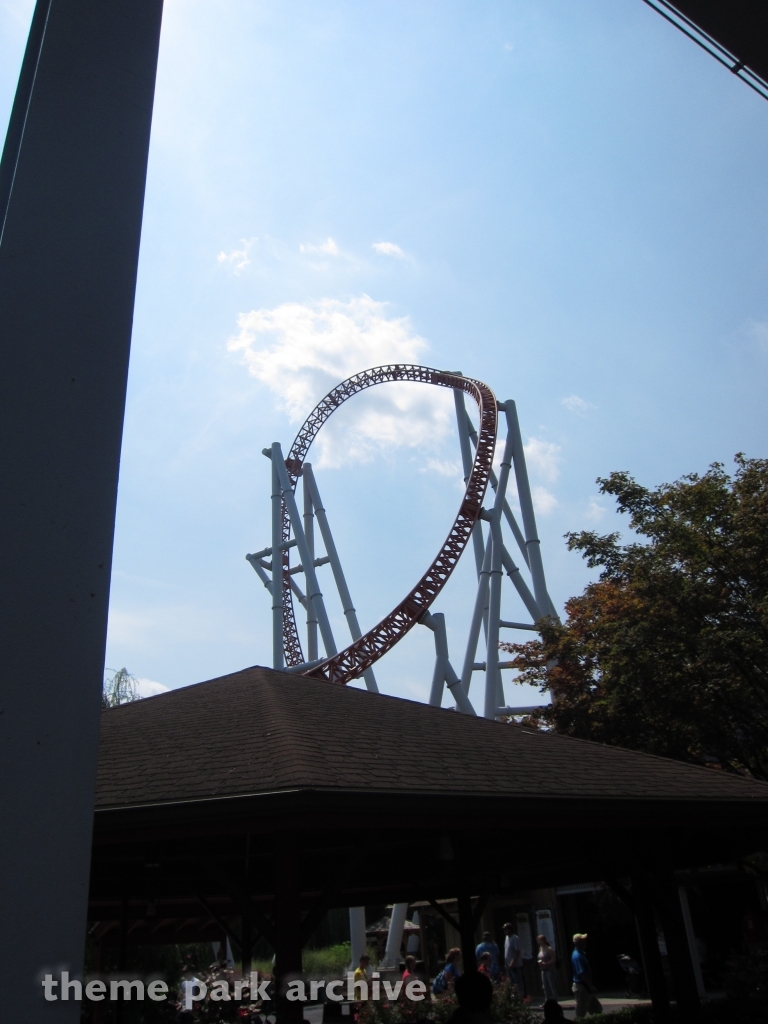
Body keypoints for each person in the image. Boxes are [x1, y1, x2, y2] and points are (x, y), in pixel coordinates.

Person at [571, 934, 602, 1018]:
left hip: (586, 987)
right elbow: (582, 973)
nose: (585, 942)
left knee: (597, 1009)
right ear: (579, 943)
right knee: (580, 1013)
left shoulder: (582, 953)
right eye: (583, 940)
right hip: (582, 987)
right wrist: (591, 986)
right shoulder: (577, 956)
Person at [503, 922, 523, 996]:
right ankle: (514, 999)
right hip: (508, 964)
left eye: (506, 929)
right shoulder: (507, 938)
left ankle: (520, 998)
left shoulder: (515, 938)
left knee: (517, 983)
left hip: (515, 965)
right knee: (511, 983)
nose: (505, 931)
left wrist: (513, 962)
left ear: (510, 930)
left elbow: (518, 951)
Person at [537, 934, 558, 1002]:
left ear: (544, 940)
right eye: (538, 940)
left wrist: (546, 964)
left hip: (550, 969)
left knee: (551, 985)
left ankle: (555, 1000)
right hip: (543, 970)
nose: (539, 942)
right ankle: (547, 1001)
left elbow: (554, 959)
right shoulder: (540, 948)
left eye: (540, 940)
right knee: (545, 987)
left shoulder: (549, 949)